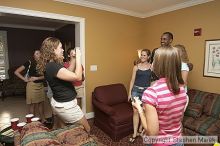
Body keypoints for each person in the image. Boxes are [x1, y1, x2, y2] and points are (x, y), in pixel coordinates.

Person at [132, 46, 187, 146]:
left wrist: (139, 108)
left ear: (157, 65)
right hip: (178, 141)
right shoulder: (182, 90)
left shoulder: (152, 93)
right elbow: (178, 120)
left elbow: (152, 134)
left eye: (153, 60)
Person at [37, 37, 90, 133]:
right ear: (53, 50)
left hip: (62, 103)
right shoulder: (52, 66)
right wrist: (79, 57)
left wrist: (73, 58)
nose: (63, 50)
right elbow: (78, 77)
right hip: (67, 105)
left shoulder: (52, 64)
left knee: (65, 130)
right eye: (60, 48)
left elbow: (68, 72)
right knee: (86, 129)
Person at [14, 50, 46, 123]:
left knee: (41, 103)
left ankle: (43, 119)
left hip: (40, 86)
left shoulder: (43, 64)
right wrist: (24, 79)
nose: (39, 54)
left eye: (40, 53)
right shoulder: (29, 62)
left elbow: (46, 76)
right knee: (32, 105)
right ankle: (31, 122)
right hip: (32, 86)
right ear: (33, 56)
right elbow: (16, 72)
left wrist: (37, 78)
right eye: (37, 53)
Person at [128, 49, 152, 143]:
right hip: (136, 91)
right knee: (136, 112)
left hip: (147, 91)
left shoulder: (152, 67)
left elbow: (152, 81)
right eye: (141, 55)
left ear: (148, 57)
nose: (142, 56)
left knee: (145, 112)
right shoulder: (136, 67)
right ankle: (135, 133)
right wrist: (129, 93)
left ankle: (141, 130)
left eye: (144, 55)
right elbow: (132, 80)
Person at [175, 44, 190, 111]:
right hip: (175, 93)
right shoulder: (176, 64)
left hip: (180, 95)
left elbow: (183, 83)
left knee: (179, 118)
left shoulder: (183, 65)